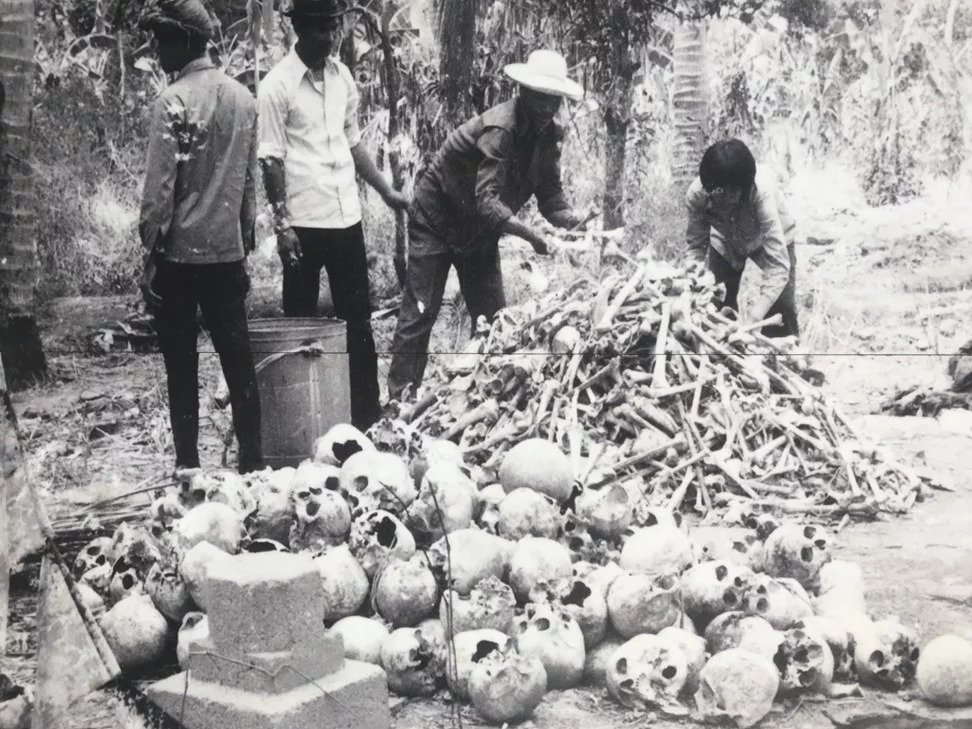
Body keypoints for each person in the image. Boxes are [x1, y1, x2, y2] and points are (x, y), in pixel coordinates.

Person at [386, 50, 588, 400]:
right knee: (420, 313)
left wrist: (574, 222)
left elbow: (551, 198)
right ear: (523, 92)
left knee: (495, 320)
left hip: (478, 232)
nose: (545, 109)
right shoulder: (500, 129)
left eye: (552, 101)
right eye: (539, 98)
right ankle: (399, 402)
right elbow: (487, 200)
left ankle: (489, 395)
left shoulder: (550, 134)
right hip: (437, 217)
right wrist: (530, 237)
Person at [257, 0, 409, 431]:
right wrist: (282, 226)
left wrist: (387, 192)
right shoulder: (277, 86)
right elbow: (270, 160)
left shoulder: (342, 78)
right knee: (301, 324)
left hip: (345, 217)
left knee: (357, 321)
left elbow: (353, 143)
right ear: (300, 28)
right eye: (321, 29)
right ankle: (302, 420)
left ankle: (366, 417)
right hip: (303, 224)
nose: (330, 37)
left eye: (335, 27)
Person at [138, 0, 264, 474]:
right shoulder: (243, 99)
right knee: (238, 360)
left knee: (181, 365)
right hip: (226, 254)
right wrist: (243, 245)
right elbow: (247, 185)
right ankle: (253, 465)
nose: (157, 47)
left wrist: (150, 253)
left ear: (186, 41)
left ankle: (188, 467)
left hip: (178, 259)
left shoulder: (172, 101)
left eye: (162, 39)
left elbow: (159, 192)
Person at [685, 138, 799, 338]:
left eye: (727, 195)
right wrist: (694, 275)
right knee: (714, 300)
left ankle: (783, 360)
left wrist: (754, 318)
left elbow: (778, 266)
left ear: (743, 191)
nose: (717, 200)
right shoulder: (697, 195)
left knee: (781, 306)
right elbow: (696, 246)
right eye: (713, 195)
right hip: (725, 240)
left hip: (768, 238)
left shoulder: (761, 194)